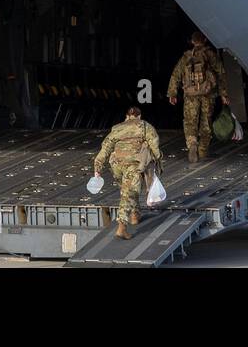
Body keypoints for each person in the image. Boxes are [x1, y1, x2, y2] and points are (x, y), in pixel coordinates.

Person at [93, 106, 162, 239]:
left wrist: (97, 166)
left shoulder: (117, 128)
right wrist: (157, 159)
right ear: (139, 116)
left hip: (117, 165)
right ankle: (122, 227)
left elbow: (106, 147)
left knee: (128, 190)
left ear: (126, 116)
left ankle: (135, 214)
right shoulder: (144, 126)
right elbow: (154, 144)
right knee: (128, 193)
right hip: (133, 164)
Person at [167, 30, 228, 163]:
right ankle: (202, 150)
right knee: (206, 121)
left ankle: (192, 143)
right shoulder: (210, 55)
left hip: (190, 94)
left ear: (192, 41)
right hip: (208, 94)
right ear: (205, 40)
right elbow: (221, 74)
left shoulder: (186, 57)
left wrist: (172, 94)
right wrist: (224, 94)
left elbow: (175, 75)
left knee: (190, 121)